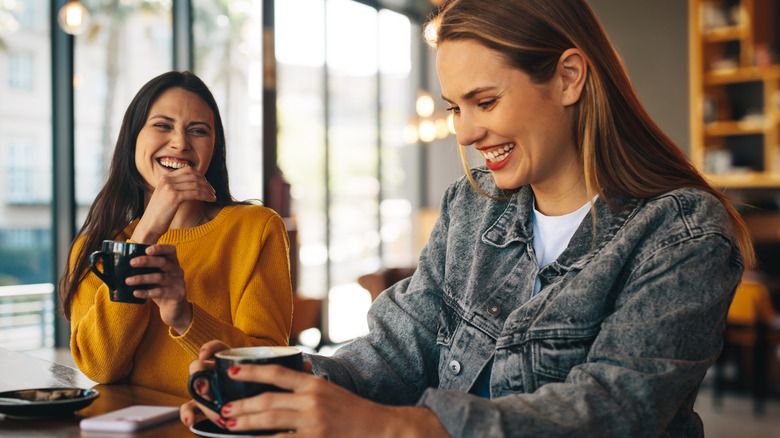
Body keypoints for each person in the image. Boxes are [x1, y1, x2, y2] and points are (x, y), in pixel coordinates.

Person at [181, 0, 755, 436]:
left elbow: (612, 408)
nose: (464, 131)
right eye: (456, 107)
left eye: (485, 101)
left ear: (569, 77)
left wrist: (398, 426)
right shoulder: (472, 205)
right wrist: (289, 382)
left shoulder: (681, 231)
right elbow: (393, 351)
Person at [58, 71, 293, 398]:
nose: (180, 143)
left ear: (214, 149)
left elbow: (270, 367)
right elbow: (100, 367)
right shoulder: (96, 247)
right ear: (133, 139)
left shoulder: (257, 228)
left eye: (198, 131)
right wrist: (144, 236)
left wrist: (186, 318)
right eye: (162, 125)